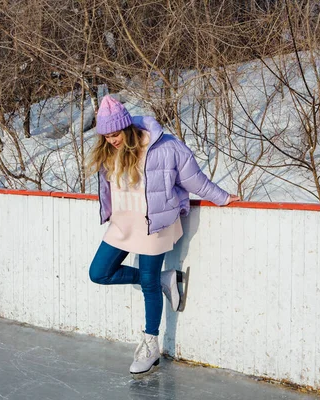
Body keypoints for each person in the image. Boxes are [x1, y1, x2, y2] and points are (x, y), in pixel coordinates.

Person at [87, 95, 240, 376]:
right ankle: (164, 279)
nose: (111, 140)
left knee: (147, 284)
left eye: (115, 134)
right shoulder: (109, 151)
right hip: (122, 223)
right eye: (106, 136)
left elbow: (193, 179)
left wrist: (222, 197)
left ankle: (150, 346)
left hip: (154, 223)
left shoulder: (165, 146)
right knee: (99, 273)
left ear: (127, 127)